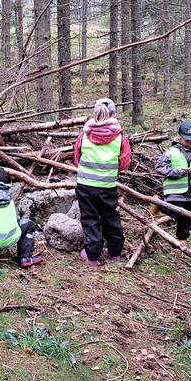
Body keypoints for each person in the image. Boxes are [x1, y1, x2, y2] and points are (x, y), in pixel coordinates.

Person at [74, 97, 131, 266]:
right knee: (110, 216)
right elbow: (124, 163)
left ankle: (92, 256)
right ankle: (114, 252)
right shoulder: (120, 137)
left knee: (89, 218)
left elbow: (77, 158)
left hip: (85, 185)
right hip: (107, 186)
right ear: (114, 114)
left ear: (95, 113)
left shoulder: (84, 134)